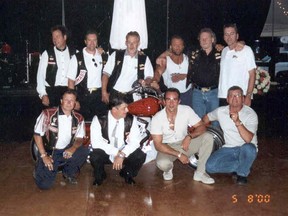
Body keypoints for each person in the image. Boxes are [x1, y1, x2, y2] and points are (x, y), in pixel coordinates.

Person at [150, 87, 215, 184]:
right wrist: (179, 155)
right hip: (167, 146)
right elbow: (158, 145)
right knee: (162, 164)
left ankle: (200, 173)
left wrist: (190, 136)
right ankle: (168, 170)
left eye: (174, 100)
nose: (171, 103)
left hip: (185, 143)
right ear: (164, 101)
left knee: (208, 137)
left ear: (179, 101)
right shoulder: (157, 118)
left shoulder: (186, 110)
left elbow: (201, 126)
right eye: (168, 100)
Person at [33, 90, 89, 190]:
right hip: (50, 152)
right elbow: (37, 135)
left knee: (83, 151)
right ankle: (40, 167)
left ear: (75, 103)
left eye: (72, 100)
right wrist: (44, 155)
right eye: (66, 100)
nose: (69, 103)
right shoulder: (47, 114)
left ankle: (68, 173)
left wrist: (73, 148)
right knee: (44, 185)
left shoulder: (79, 118)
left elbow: (80, 138)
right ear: (61, 101)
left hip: (66, 150)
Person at [203, 86, 258, 185]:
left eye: (238, 95)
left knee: (249, 149)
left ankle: (242, 174)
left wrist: (237, 122)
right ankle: (244, 164)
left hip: (245, 148)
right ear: (227, 99)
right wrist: (204, 127)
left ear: (243, 98)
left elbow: (248, 139)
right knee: (209, 167)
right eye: (231, 96)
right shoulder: (220, 111)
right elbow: (206, 118)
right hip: (229, 148)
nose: (235, 98)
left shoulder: (250, 114)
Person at [89, 94, 146, 186]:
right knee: (95, 156)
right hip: (107, 151)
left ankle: (127, 173)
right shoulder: (99, 119)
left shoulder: (131, 119)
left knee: (140, 155)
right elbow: (96, 142)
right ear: (114, 109)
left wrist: (122, 154)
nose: (127, 110)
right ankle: (100, 175)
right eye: (124, 108)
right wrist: (116, 152)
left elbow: (135, 141)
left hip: (124, 151)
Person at [101, 31, 154, 104]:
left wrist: (145, 82)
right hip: (114, 95)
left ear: (138, 44)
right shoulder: (116, 55)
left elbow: (149, 77)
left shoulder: (144, 58)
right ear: (126, 43)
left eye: (134, 42)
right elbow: (106, 74)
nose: (131, 45)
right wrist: (104, 92)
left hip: (132, 97)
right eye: (129, 42)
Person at [67, 29, 107, 121]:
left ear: (97, 42)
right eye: (89, 40)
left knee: (100, 125)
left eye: (94, 40)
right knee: (83, 125)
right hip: (83, 96)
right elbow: (71, 81)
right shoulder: (77, 57)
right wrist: (74, 100)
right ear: (85, 41)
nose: (92, 43)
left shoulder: (103, 56)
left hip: (99, 97)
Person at [36, 25, 77, 107]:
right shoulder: (47, 53)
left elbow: (88, 51)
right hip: (51, 92)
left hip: (68, 92)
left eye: (57, 36)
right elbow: (40, 76)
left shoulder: (74, 53)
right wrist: (43, 94)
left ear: (64, 37)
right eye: (53, 37)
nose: (54, 39)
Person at [186, 28, 221, 121]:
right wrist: (161, 57)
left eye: (207, 38)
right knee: (198, 122)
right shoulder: (193, 53)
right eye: (202, 38)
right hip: (197, 93)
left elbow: (234, 47)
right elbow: (175, 50)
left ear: (212, 39)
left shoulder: (220, 53)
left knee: (215, 122)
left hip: (214, 93)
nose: (204, 40)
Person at [218, 23, 256, 107]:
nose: (229, 37)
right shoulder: (224, 51)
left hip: (239, 96)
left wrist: (248, 96)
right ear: (224, 37)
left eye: (232, 34)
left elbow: (252, 74)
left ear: (237, 36)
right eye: (226, 34)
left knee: (240, 120)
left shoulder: (246, 50)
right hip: (224, 96)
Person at [153, 35, 192, 106]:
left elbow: (194, 74)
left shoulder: (188, 59)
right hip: (171, 95)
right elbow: (158, 72)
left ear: (183, 46)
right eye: (175, 45)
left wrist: (183, 76)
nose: (178, 47)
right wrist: (155, 80)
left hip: (188, 95)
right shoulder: (164, 60)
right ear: (170, 47)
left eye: (180, 45)